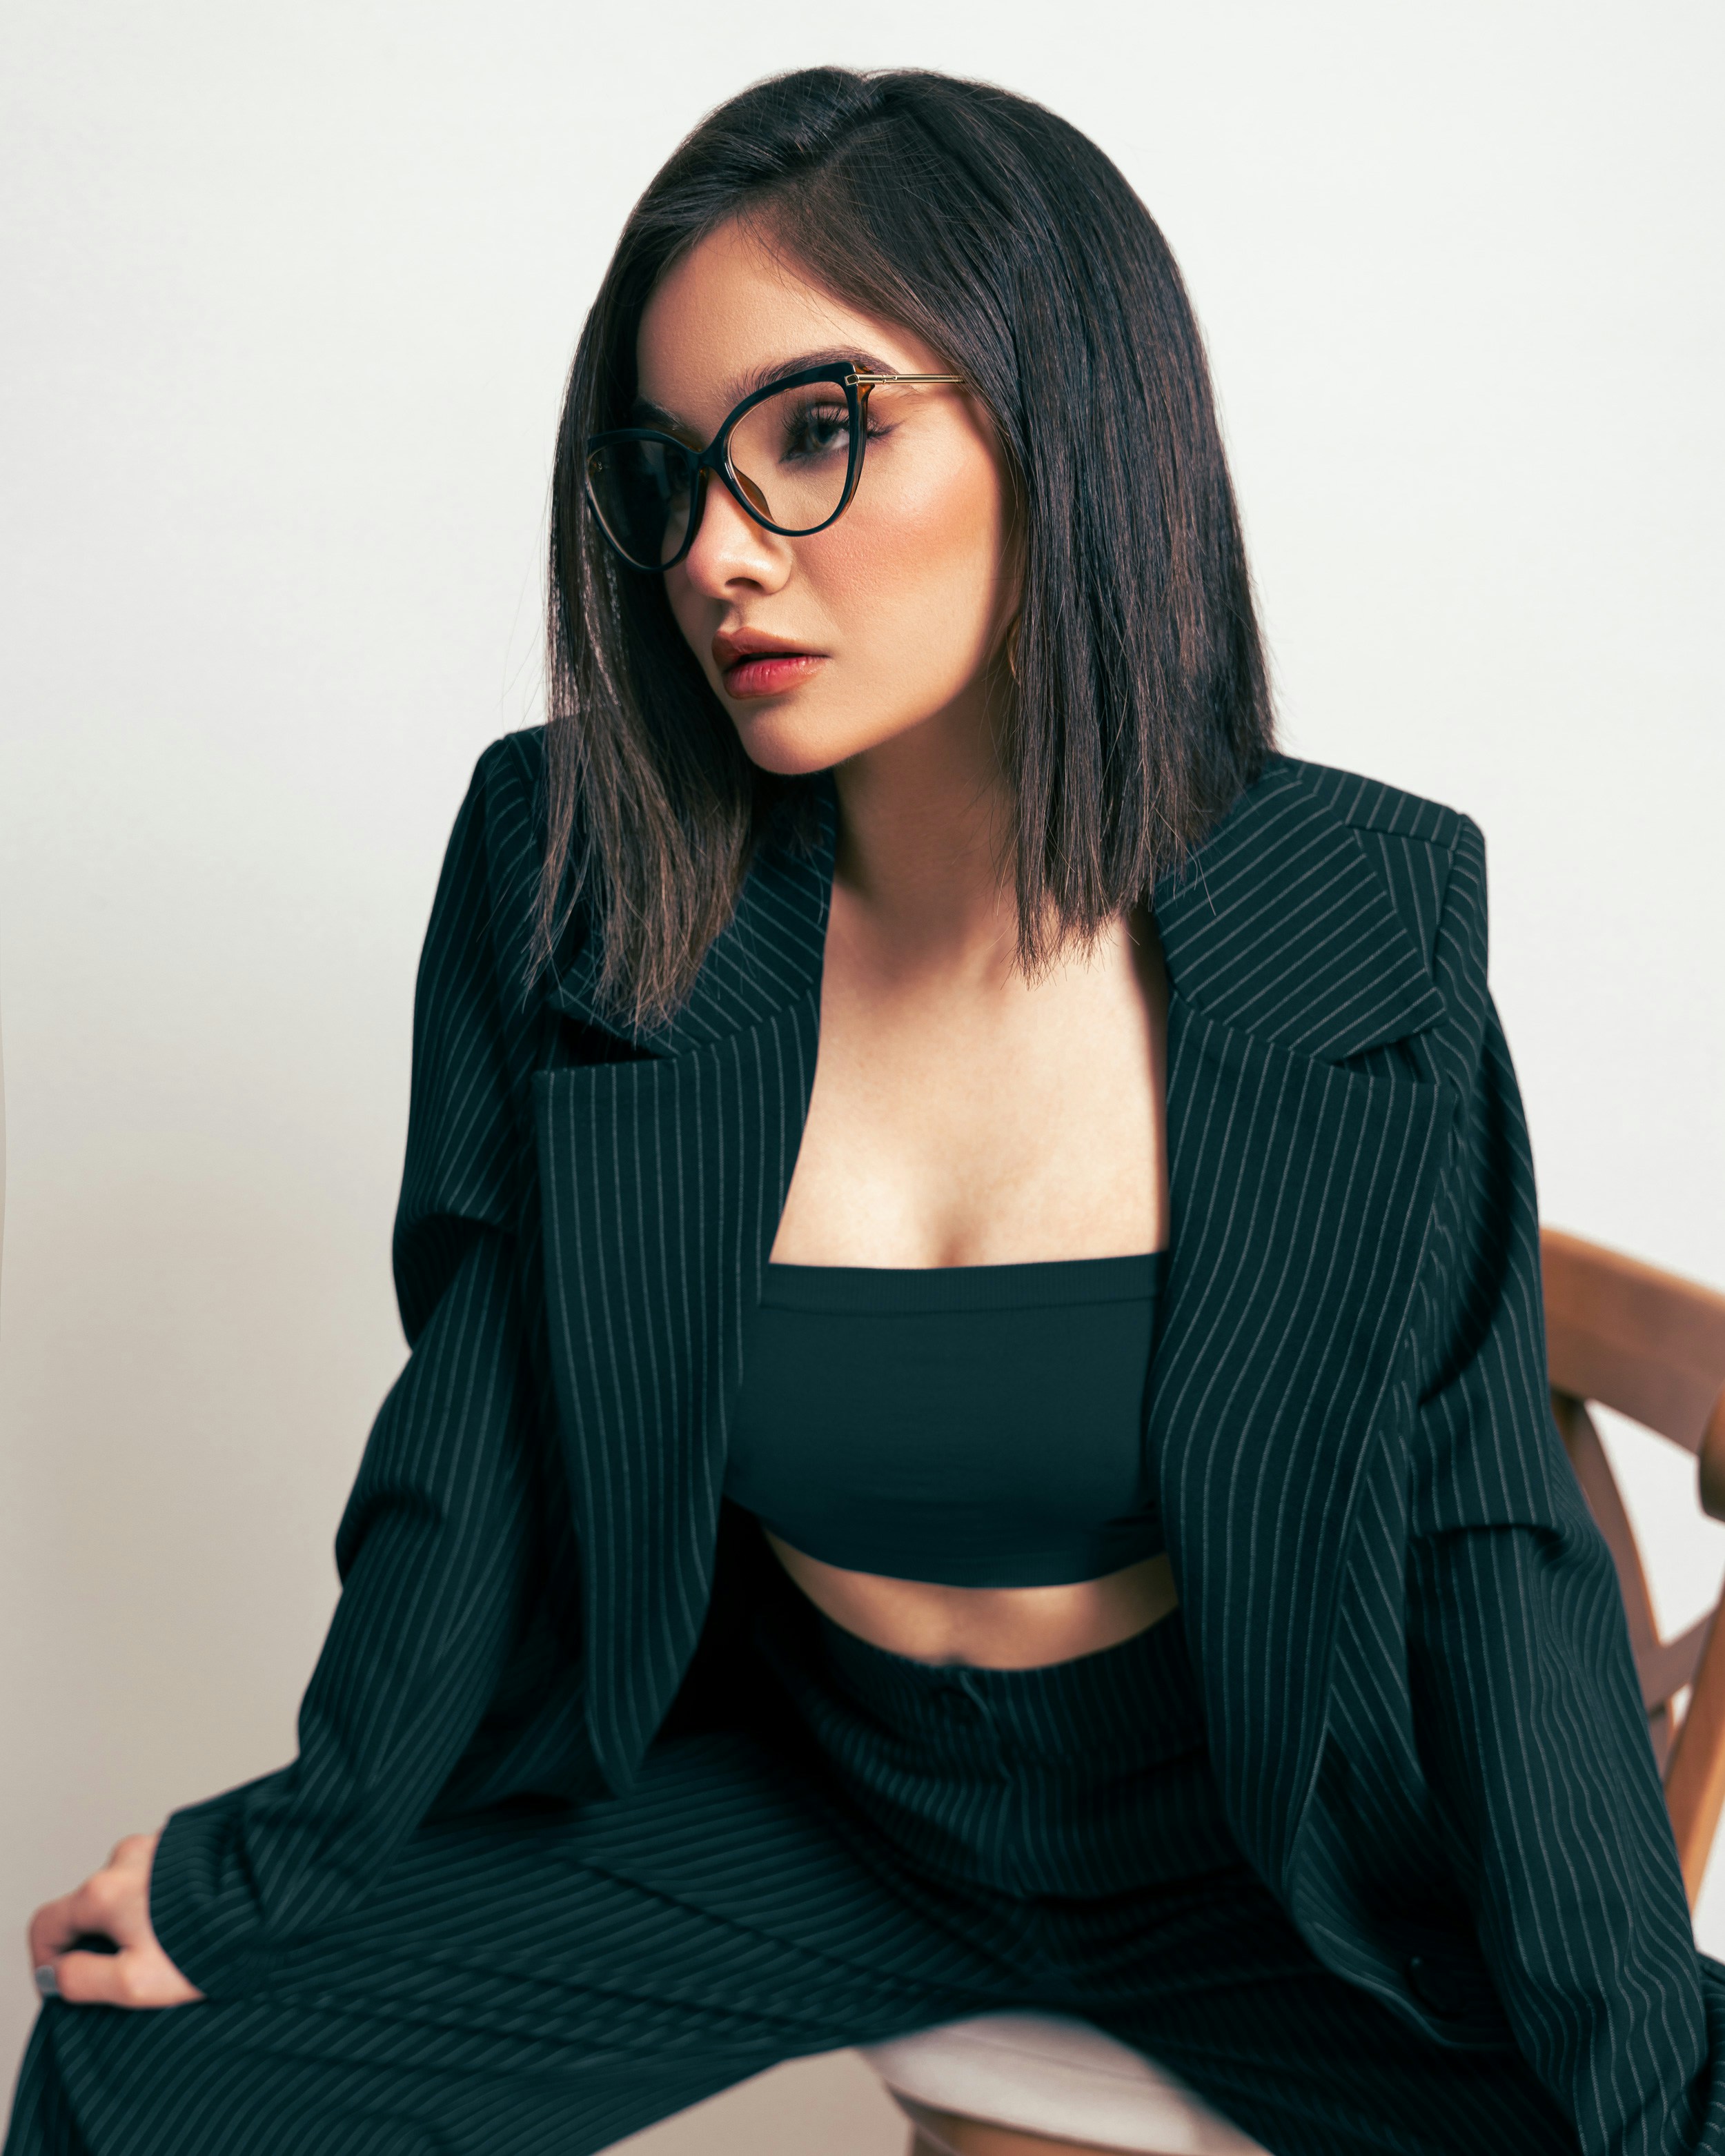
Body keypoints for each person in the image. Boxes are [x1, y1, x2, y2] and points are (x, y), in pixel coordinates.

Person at [8, 65, 1722, 2156]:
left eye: (817, 432)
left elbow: (1478, 1543)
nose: (718, 553)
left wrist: (1650, 2075)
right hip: (814, 1799)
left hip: (1262, 1846)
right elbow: (477, 1440)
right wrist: (275, 1860)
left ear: (1067, 417)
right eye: (666, 477)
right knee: (146, 2071)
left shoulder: (1350, 908)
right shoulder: (570, 866)